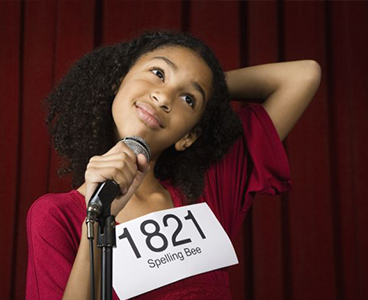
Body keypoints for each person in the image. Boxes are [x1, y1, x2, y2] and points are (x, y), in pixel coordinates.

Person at [26, 30, 321, 300]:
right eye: (157, 73)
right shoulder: (56, 217)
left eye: (188, 99)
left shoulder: (210, 191)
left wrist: (212, 90)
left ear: (188, 136)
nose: (164, 97)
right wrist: (97, 220)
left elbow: (303, 75)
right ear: (117, 80)